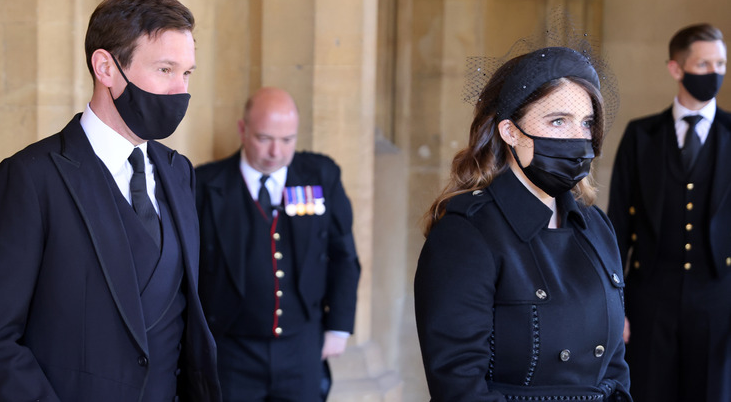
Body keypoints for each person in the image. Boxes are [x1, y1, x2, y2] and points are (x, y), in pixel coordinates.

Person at [0, 0, 221, 401]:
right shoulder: (29, 179)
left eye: (187, 73)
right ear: (106, 68)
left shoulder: (180, 172)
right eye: (165, 70)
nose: (180, 91)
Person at [414, 46, 632, 401]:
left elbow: (615, 369)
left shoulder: (596, 228)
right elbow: (458, 386)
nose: (578, 138)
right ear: (510, 131)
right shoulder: (465, 234)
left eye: (587, 122)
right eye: (557, 121)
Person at [195, 86, 361, 401]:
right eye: (265, 139)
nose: (277, 152)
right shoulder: (204, 184)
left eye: (288, 140)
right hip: (230, 351)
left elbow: (344, 255)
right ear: (243, 130)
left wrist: (338, 328)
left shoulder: (321, 175)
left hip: (302, 347)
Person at [608, 23, 731, 402]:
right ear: (676, 69)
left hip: (719, 296)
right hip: (650, 296)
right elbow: (616, 223)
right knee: (648, 391)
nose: (715, 73)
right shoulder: (641, 135)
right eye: (703, 64)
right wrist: (617, 308)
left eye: (721, 64)